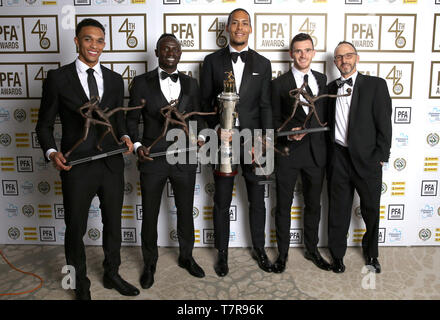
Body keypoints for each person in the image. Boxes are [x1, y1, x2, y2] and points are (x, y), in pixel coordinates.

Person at [35, 18, 139, 300]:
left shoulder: (116, 80)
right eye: (88, 39)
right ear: (77, 41)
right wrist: (51, 152)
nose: (94, 45)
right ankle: (79, 281)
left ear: (105, 44)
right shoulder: (58, 78)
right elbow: (43, 125)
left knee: (114, 225)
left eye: (100, 40)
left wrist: (127, 138)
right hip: (77, 166)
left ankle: (112, 272)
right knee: (76, 227)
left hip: (111, 164)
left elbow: (119, 122)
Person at [126, 33, 206, 289]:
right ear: (157, 52)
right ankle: (149, 264)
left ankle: (186, 256)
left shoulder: (191, 84)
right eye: (165, 48)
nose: (170, 52)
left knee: (185, 211)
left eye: (175, 48)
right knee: (149, 213)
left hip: (185, 158)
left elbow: (198, 119)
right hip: (153, 158)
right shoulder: (140, 82)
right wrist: (138, 146)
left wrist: (202, 136)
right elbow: (131, 121)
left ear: (180, 53)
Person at [200, 8, 273, 276]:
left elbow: (266, 106)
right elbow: (204, 104)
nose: (239, 27)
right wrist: (217, 128)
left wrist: (264, 141)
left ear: (250, 29)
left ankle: (260, 250)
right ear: (227, 28)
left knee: (257, 201)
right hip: (222, 144)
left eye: (245, 23)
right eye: (234, 23)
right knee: (221, 201)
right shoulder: (210, 62)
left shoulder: (263, 64)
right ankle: (222, 255)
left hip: (254, 144)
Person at [327, 41, 392, 273]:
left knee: (371, 210)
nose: (344, 61)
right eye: (339, 57)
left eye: (348, 55)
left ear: (357, 57)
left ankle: (372, 254)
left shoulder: (375, 85)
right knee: (338, 210)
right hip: (339, 159)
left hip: (367, 160)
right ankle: (337, 256)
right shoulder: (330, 88)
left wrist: (381, 156)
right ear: (335, 62)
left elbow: (384, 123)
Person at [271, 33, 331, 273]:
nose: (303, 55)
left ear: (313, 53)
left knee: (313, 205)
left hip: (316, 153)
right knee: (283, 206)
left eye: (307, 50)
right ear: (291, 54)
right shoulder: (279, 84)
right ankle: (282, 255)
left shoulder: (322, 79)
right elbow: (273, 119)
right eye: (298, 51)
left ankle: (312, 250)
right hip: (288, 152)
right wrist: (288, 131)